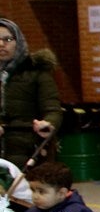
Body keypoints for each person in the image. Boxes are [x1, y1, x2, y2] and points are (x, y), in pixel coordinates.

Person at [0, 18, 63, 168]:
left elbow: (53, 109)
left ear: (19, 42)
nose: (1, 44)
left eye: (7, 39)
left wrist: (48, 124)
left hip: (27, 148)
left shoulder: (37, 73)